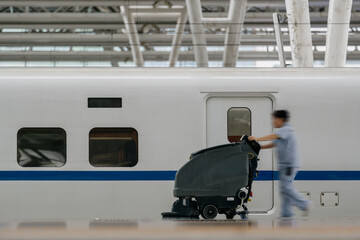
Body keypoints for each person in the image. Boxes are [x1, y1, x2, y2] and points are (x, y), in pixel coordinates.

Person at [248, 110, 310, 218]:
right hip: (284, 165)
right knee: (284, 189)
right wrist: (259, 147)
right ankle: (287, 214)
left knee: (286, 187)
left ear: (280, 119)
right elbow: (273, 143)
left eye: (274, 119)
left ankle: (305, 204)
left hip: (289, 165)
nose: (273, 121)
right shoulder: (283, 132)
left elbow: (273, 137)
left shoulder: (286, 129)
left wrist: (257, 139)